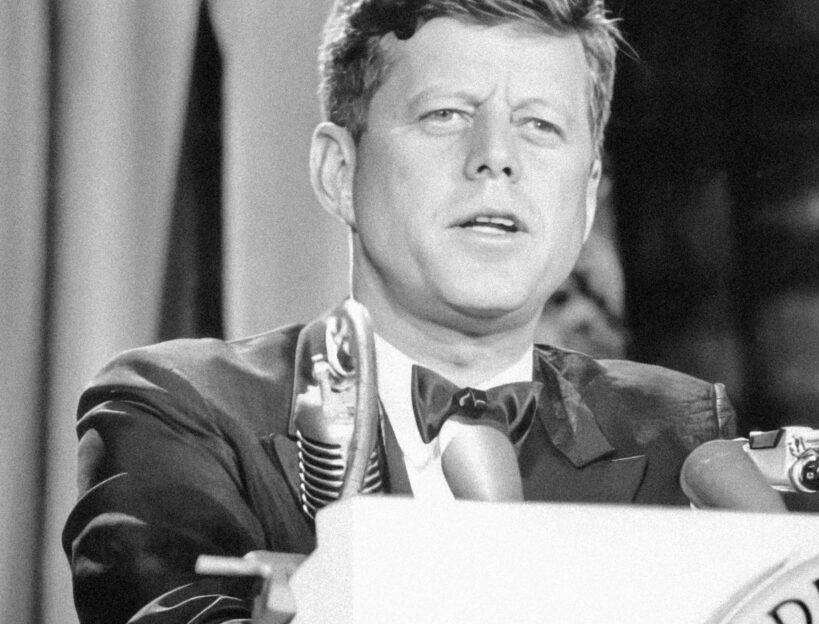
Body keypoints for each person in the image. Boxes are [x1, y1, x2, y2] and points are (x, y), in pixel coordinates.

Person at [61, 1, 737, 622]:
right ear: (338, 172)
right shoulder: (178, 412)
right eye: (446, 115)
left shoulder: (680, 434)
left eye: (540, 124)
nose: (496, 159)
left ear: (588, 195)